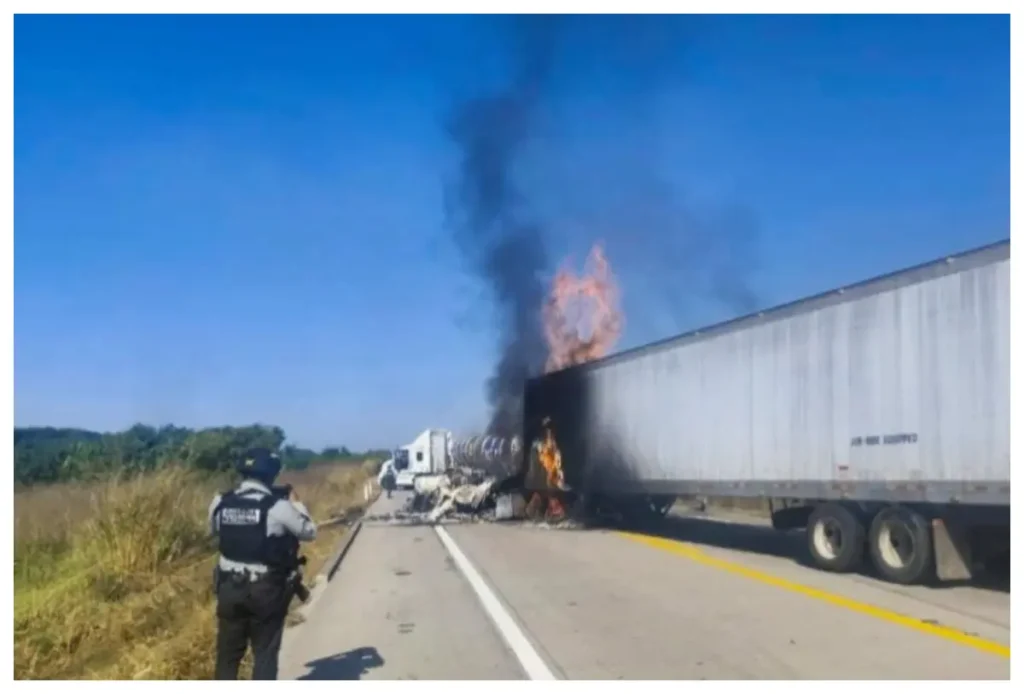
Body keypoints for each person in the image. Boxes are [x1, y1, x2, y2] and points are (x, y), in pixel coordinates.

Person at [208, 447, 317, 680]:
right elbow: (309, 531)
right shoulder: (277, 506)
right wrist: (297, 505)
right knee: (264, 655)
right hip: (265, 591)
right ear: (270, 476)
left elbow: (214, 530)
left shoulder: (220, 502)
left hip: (228, 589)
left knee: (227, 655)